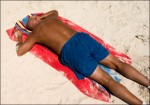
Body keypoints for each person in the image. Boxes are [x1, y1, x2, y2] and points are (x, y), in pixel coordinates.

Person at [14, 10, 150, 104]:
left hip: (70, 52)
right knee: (117, 64)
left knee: (107, 81)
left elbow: (20, 51)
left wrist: (20, 38)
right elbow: (54, 11)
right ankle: (148, 83)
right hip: (82, 39)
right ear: (37, 18)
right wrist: (41, 16)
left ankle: (141, 103)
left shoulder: (34, 34)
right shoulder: (51, 18)